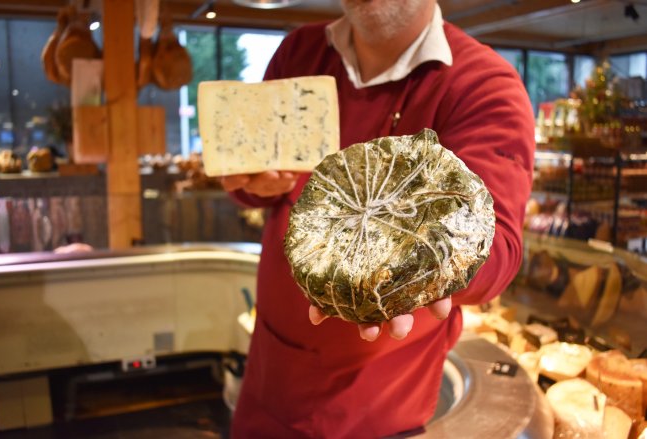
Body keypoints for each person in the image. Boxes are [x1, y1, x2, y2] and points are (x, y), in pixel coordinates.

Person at [220, 0, 535, 437]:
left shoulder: (483, 84)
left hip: (382, 403)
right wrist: (250, 182)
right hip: (273, 376)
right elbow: (251, 177)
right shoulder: (300, 53)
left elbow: (501, 247)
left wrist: (441, 266)